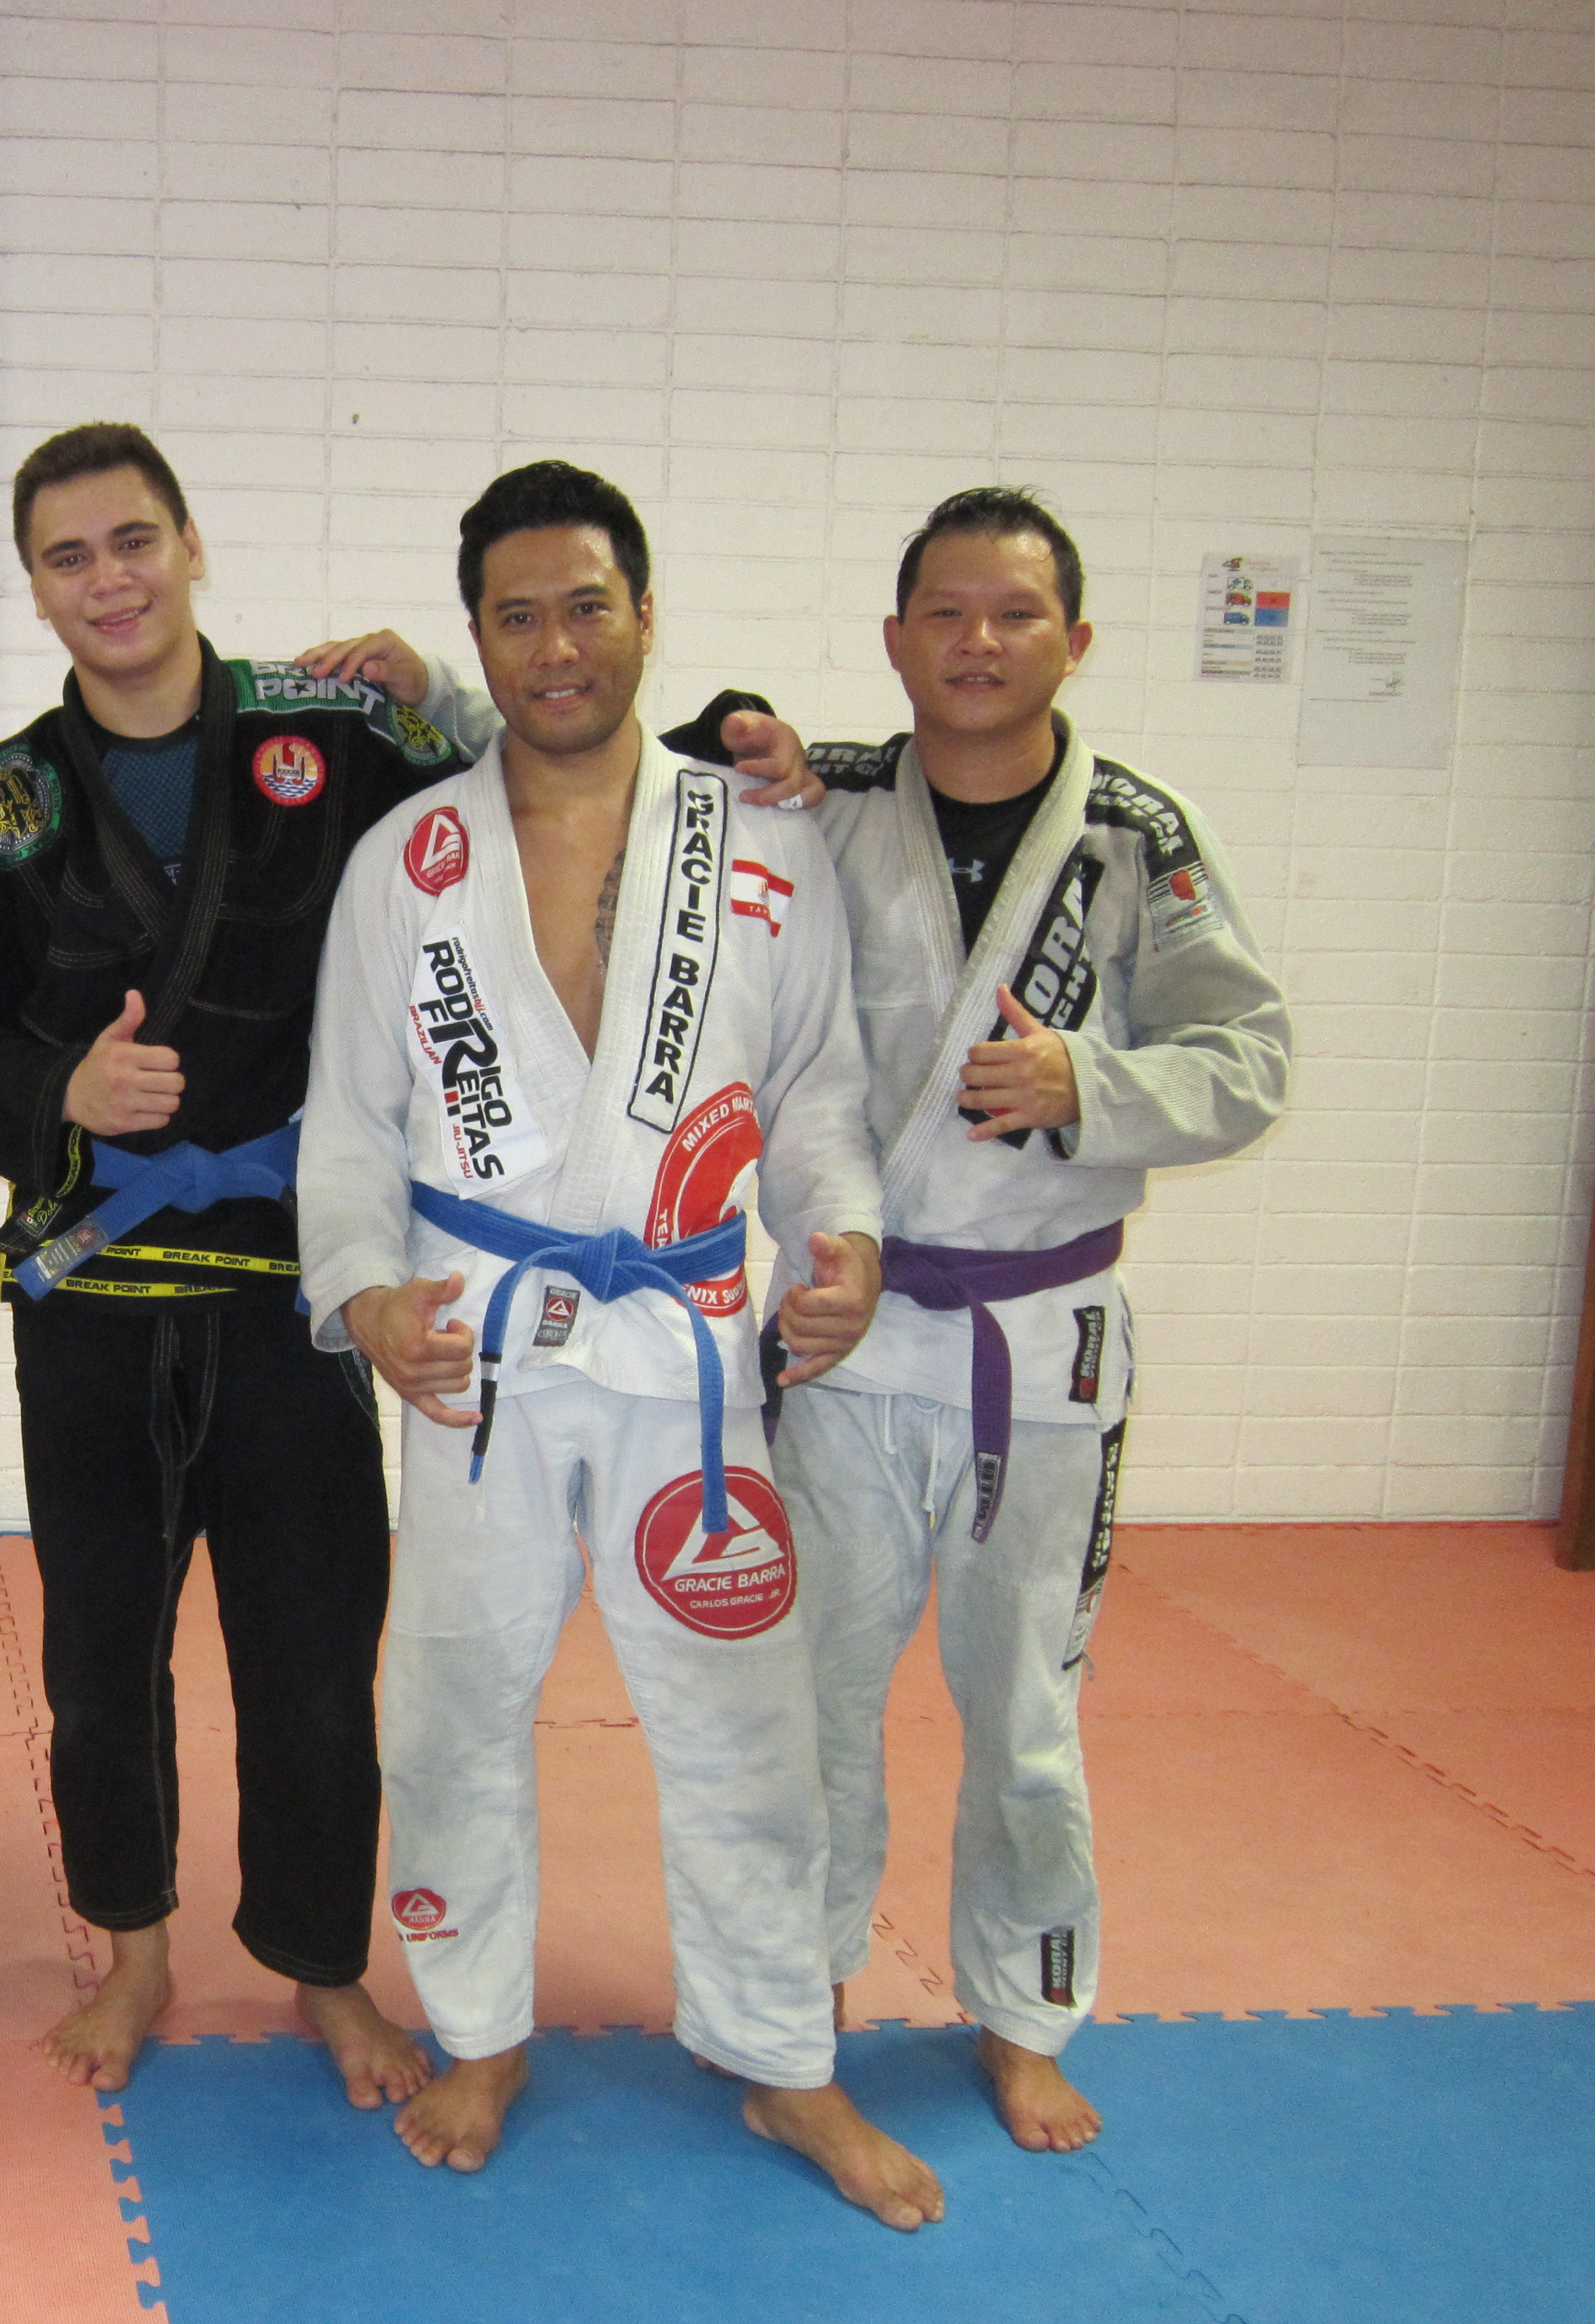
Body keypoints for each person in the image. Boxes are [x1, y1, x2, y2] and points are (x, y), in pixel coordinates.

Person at [298, 456, 943, 2229]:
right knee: (450, 1708)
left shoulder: (765, 844)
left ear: (647, 616)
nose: (557, 646)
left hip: (693, 1349)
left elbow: (818, 1097)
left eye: (588, 606)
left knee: (744, 1719)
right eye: (517, 617)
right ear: (479, 638)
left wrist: (844, 1245)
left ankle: (782, 2056)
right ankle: (479, 2028)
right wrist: (364, 1295)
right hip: (477, 1352)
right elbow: (348, 1130)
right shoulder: (406, 863)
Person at [0, 422, 474, 2110]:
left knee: (315, 1661)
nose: (111, 582)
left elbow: (526, 807)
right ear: (34, 587)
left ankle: (323, 1966)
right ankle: (136, 1950)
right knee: (101, 1662)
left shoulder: (335, 737)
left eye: (134, 541)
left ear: (190, 544)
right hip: (95, 1290)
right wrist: (59, 1096)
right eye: (69, 558)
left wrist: (440, 690)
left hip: (301, 1282)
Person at [773, 489, 1290, 2153]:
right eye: (945, 611)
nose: (978, 642)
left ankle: (1022, 2014)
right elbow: (613, 784)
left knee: (1026, 1717)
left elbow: (1250, 1061)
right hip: (847, 1336)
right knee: (812, 1701)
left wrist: (1091, 1082)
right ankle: (797, 2000)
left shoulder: (1140, 835)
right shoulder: (824, 801)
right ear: (894, 638)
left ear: (1076, 640)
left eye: (1014, 614)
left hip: (1043, 1345)